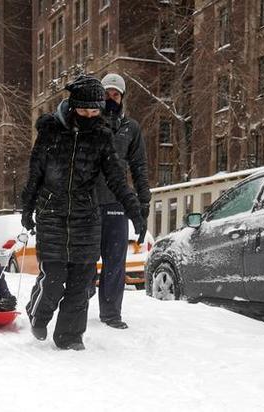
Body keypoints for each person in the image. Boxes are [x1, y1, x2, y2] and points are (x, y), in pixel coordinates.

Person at [20, 75, 144, 351]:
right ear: (74, 105)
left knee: (80, 281)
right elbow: (35, 173)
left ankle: (70, 337)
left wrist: (135, 210)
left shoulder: (101, 136)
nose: (90, 116)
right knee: (53, 280)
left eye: (95, 111)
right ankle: (38, 313)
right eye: (85, 111)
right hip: (52, 212)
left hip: (86, 216)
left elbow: (116, 178)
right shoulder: (51, 131)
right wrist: (27, 208)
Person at [91, 73, 151, 329]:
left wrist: (143, 205)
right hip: (89, 203)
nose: (110, 98)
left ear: (122, 97)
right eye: (106, 94)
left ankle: (111, 313)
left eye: (115, 94)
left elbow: (139, 168)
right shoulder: (88, 124)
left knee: (115, 261)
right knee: (84, 259)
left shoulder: (131, 129)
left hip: (117, 204)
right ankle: (80, 300)